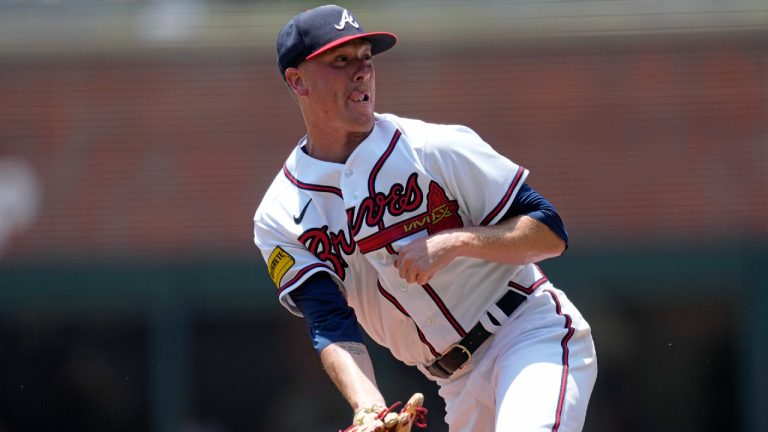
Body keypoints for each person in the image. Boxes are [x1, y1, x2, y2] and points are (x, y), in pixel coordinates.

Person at [253, 5, 597, 431]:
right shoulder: (279, 215)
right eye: (340, 60)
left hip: (528, 334)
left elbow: (549, 231)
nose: (361, 71)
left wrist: (457, 241)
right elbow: (329, 321)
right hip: (453, 383)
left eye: (365, 57)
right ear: (297, 80)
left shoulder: (432, 147)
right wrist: (369, 407)